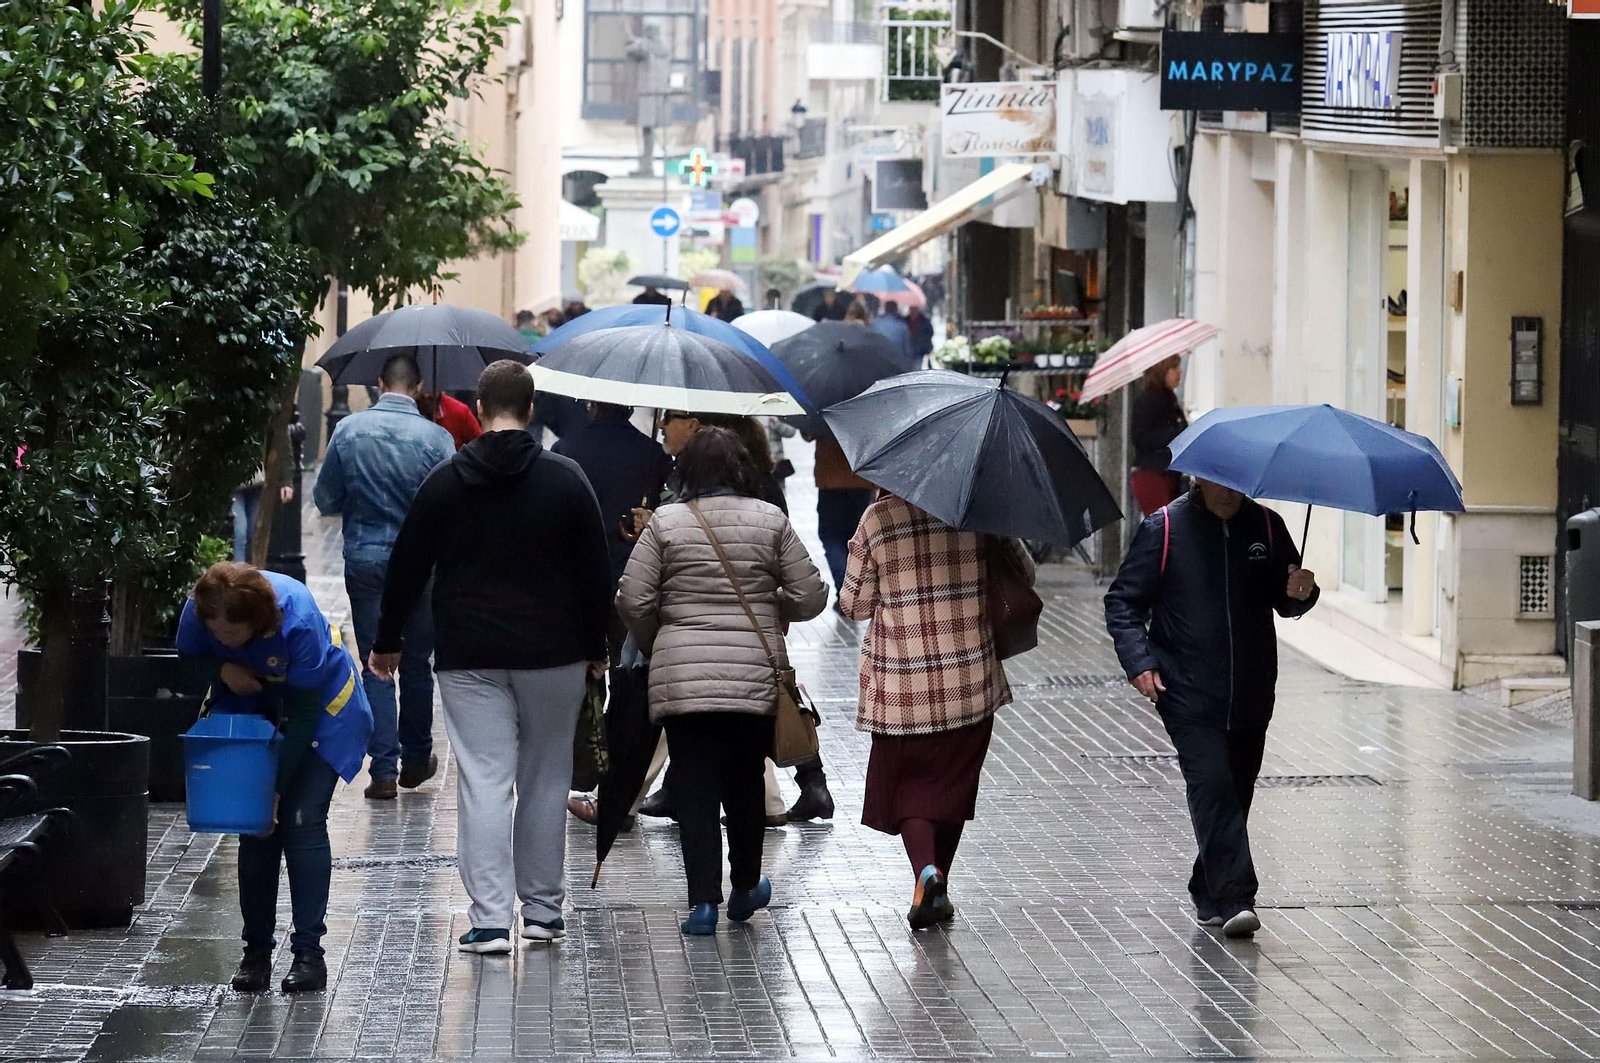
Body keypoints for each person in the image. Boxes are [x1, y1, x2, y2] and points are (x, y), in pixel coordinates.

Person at [371, 360, 612, 954]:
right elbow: (594, 572)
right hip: (553, 652)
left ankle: (488, 921)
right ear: (531, 410)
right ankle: (543, 912)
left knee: (484, 779)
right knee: (545, 778)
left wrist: (387, 641)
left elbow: (406, 564)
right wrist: (596, 645)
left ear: (478, 409)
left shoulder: (447, 481)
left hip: (469, 652)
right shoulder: (566, 479)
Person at [616, 427, 827, 936]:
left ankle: (703, 903)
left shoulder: (665, 523)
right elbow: (812, 596)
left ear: (686, 471)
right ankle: (748, 886)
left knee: (694, 788)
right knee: (745, 784)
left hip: (683, 682)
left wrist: (657, 640)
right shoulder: (770, 519)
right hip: (753, 676)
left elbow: (631, 600)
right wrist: (771, 601)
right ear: (740, 469)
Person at [1103, 480, 1319, 940]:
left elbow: (1284, 599)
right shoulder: (1163, 528)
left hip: (1253, 689)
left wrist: (1301, 594)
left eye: (1236, 484)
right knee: (1213, 784)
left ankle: (1207, 887)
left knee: (1236, 791)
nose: (1228, 492)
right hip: (1186, 691)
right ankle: (1236, 897)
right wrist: (1139, 662)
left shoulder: (1267, 525)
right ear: (1198, 478)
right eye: (1218, 483)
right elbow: (1122, 602)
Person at [840, 494, 1034, 931]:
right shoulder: (979, 510)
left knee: (909, 786)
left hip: (902, 682)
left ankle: (926, 874)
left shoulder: (877, 518)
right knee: (951, 786)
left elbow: (855, 604)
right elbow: (1024, 573)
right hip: (969, 677)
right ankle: (933, 884)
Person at [178, 562, 374, 993]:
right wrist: (221, 670)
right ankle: (256, 954)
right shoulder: (200, 610)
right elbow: (188, 659)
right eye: (217, 634)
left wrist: (275, 790)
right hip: (256, 709)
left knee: (300, 821)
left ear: (257, 620)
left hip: (322, 715)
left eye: (231, 635)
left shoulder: (297, 620)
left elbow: (303, 715)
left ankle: (308, 955)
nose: (222, 640)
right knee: (256, 831)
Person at [313, 353, 455, 800]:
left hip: (366, 560)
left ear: (378, 383)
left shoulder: (348, 431)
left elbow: (326, 498)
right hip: (421, 566)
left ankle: (384, 769)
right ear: (416, 389)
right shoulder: (437, 437)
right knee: (416, 661)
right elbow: (452, 504)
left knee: (377, 661)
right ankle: (417, 756)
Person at [806, 432, 877, 614]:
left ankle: (846, 591)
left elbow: (808, 434)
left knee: (831, 538)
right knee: (854, 540)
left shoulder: (822, 407)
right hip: (861, 480)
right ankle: (853, 590)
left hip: (830, 482)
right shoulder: (864, 407)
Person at [1129, 356, 1189, 516]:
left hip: (1170, 473)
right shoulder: (1147, 399)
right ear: (1162, 371)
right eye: (1174, 367)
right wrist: (1175, 433)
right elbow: (1140, 438)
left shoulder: (1170, 398)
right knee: (1164, 526)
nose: (1179, 371)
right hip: (1152, 474)